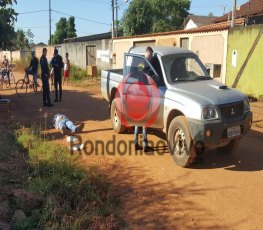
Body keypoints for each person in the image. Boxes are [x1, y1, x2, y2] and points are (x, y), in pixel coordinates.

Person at [134, 47, 155, 153]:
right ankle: (145, 146)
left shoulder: (144, 63)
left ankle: (136, 144)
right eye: (150, 54)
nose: (151, 56)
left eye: (151, 55)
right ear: (147, 53)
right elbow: (141, 75)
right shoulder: (143, 63)